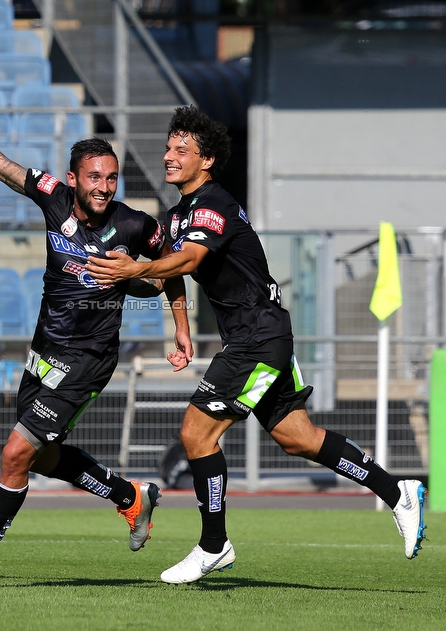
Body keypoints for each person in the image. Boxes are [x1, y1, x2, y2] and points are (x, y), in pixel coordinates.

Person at [85, 105, 427, 584]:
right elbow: (175, 268)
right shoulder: (180, 211)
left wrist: (133, 269)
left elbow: (188, 260)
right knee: (298, 437)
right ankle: (398, 492)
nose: (168, 155)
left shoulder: (212, 203)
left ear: (206, 161)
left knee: (196, 432)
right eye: (168, 146)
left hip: (256, 337)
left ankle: (213, 544)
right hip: (262, 332)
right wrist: (177, 326)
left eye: (181, 149)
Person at [0, 71, 193, 588]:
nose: (104, 187)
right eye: (94, 177)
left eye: (111, 178)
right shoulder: (51, 197)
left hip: (90, 358)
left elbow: (173, 267)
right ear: (73, 179)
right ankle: (129, 496)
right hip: (44, 350)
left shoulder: (137, 224)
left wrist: (177, 327)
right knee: (45, 457)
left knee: (16, 453)